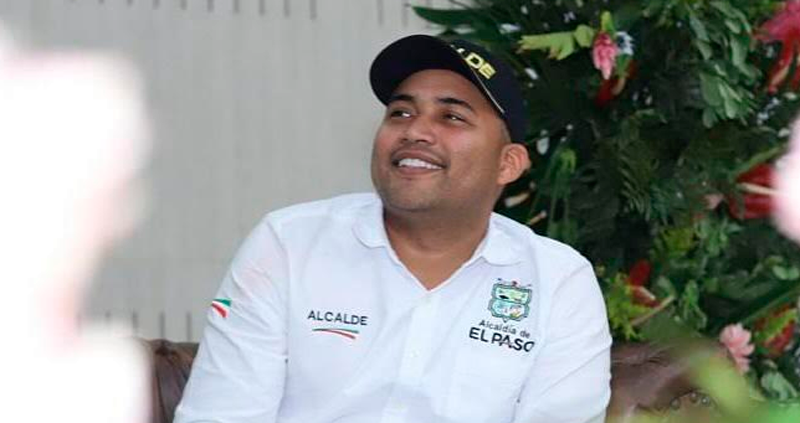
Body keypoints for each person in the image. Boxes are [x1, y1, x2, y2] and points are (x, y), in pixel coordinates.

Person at [174, 34, 611, 423]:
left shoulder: (558, 281)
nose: (415, 131)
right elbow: (222, 413)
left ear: (508, 164)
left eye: (452, 117)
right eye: (400, 112)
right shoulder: (289, 244)